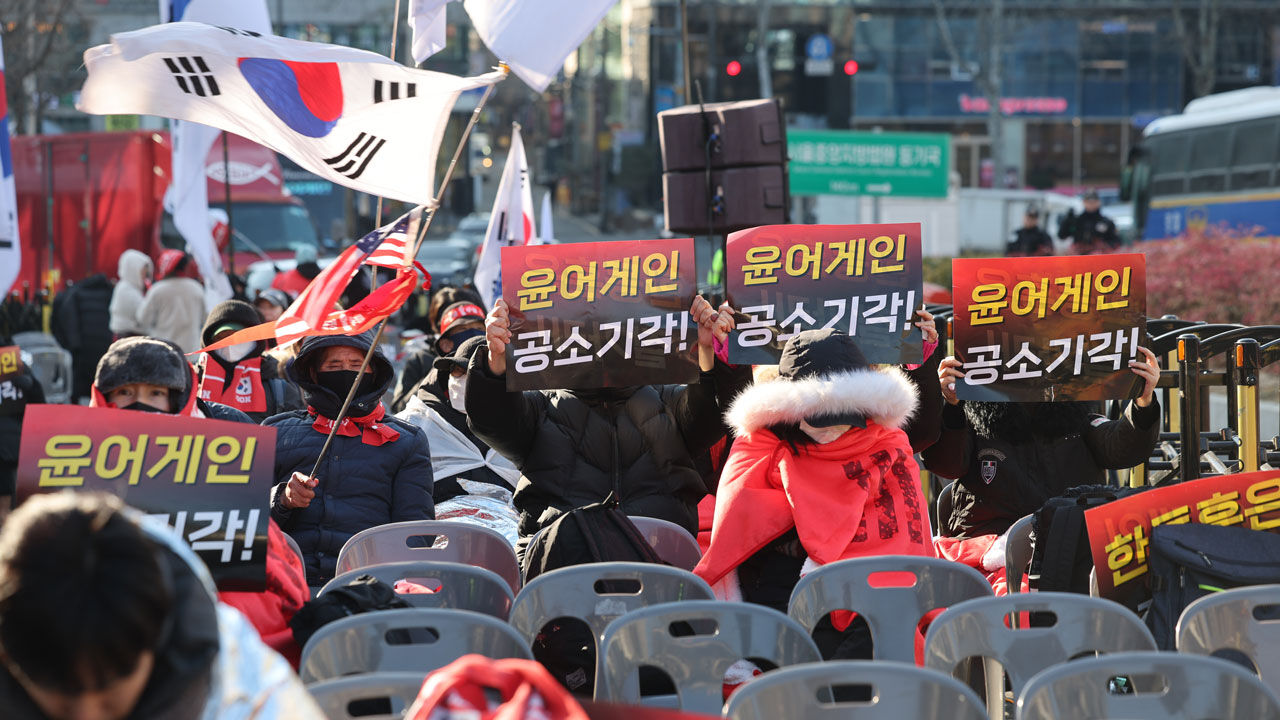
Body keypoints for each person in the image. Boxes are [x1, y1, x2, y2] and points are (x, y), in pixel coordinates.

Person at [0, 491, 324, 719]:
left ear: (157, 636)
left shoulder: (247, 694)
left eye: (111, 691)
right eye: (63, 695)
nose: (88, 715)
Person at [466, 296, 736, 552]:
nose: (602, 337)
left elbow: (720, 413)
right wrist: (496, 365)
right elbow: (491, 421)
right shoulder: (542, 407)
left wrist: (707, 350)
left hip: (660, 560)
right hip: (561, 565)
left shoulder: (669, 402)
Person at [693, 329, 934, 615]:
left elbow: (907, 545)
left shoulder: (889, 447)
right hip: (779, 605)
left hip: (878, 607)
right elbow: (741, 523)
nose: (831, 430)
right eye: (819, 417)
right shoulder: (757, 449)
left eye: (844, 417)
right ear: (788, 411)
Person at [922, 346, 1162, 538]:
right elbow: (945, 464)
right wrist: (951, 405)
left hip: (1069, 543)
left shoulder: (1076, 418)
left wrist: (1144, 400)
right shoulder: (974, 416)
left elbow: (1122, 447)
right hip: (989, 548)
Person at [267, 331, 434, 588]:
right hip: (285, 583)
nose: (346, 372)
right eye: (333, 365)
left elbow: (416, 536)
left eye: (357, 366)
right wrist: (282, 499)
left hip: (367, 590)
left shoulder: (406, 441)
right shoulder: (276, 432)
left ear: (374, 373)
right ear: (313, 373)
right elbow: (243, 523)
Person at [396, 335, 522, 544]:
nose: (465, 379)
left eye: (475, 373)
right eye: (459, 372)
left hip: (508, 544)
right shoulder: (416, 424)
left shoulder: (524, 426)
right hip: (432, 544)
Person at [90, 336, 252, 424]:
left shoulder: (231, 425)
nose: (139, 402)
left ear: (177, 399)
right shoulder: (73, 445)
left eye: (156, 393)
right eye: (124, 392)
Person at [196, 300, 304, 423]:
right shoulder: (192, 382)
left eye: (239, 338)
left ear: (255, 342)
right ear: (209, 342)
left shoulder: (279, 390)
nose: (230, 345)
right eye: (222, 338)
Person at [391, 287, 486, 413]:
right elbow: (399, 409)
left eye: (477, 325)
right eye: (461, 327)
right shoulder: (421, 359)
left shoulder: (495, 358)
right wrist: (439, 373)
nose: (471, 331)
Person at [51, 274, 116, 402]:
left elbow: (67, 321)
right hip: (105, 345)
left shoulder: (75, 294)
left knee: (80, 385)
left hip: (83, 350)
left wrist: (72, 345)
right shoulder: (110, 293)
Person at [0, 345, 44, 522]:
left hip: (11, 450)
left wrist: (30, 386)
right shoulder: (11, 361)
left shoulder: (11, 362)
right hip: (15, 448)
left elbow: (39, 405)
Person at [138, 250, 206, 357]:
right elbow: (205, 319)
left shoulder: (157, 290)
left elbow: (143, 319)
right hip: (191, 352)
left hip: (163, 351)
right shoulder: (196, 288)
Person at [1057, 189, 1120, 254]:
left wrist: (1104, 247)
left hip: (1099, 256)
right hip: (1079, 256)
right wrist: (1067, 221)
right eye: (1088, 202)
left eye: (1093, 202)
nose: (1091, 205)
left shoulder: (1106, 222)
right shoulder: (1077, 220)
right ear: (1084, 202)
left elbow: (1116, 242)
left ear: (1099, 202)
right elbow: (1061, 236)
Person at [108, 249, 153, 338]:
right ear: (133, 269)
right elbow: (144, 313)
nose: (145, 274)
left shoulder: (131, 288)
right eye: (143, 270)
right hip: (129, 336)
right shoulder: (126, 289)